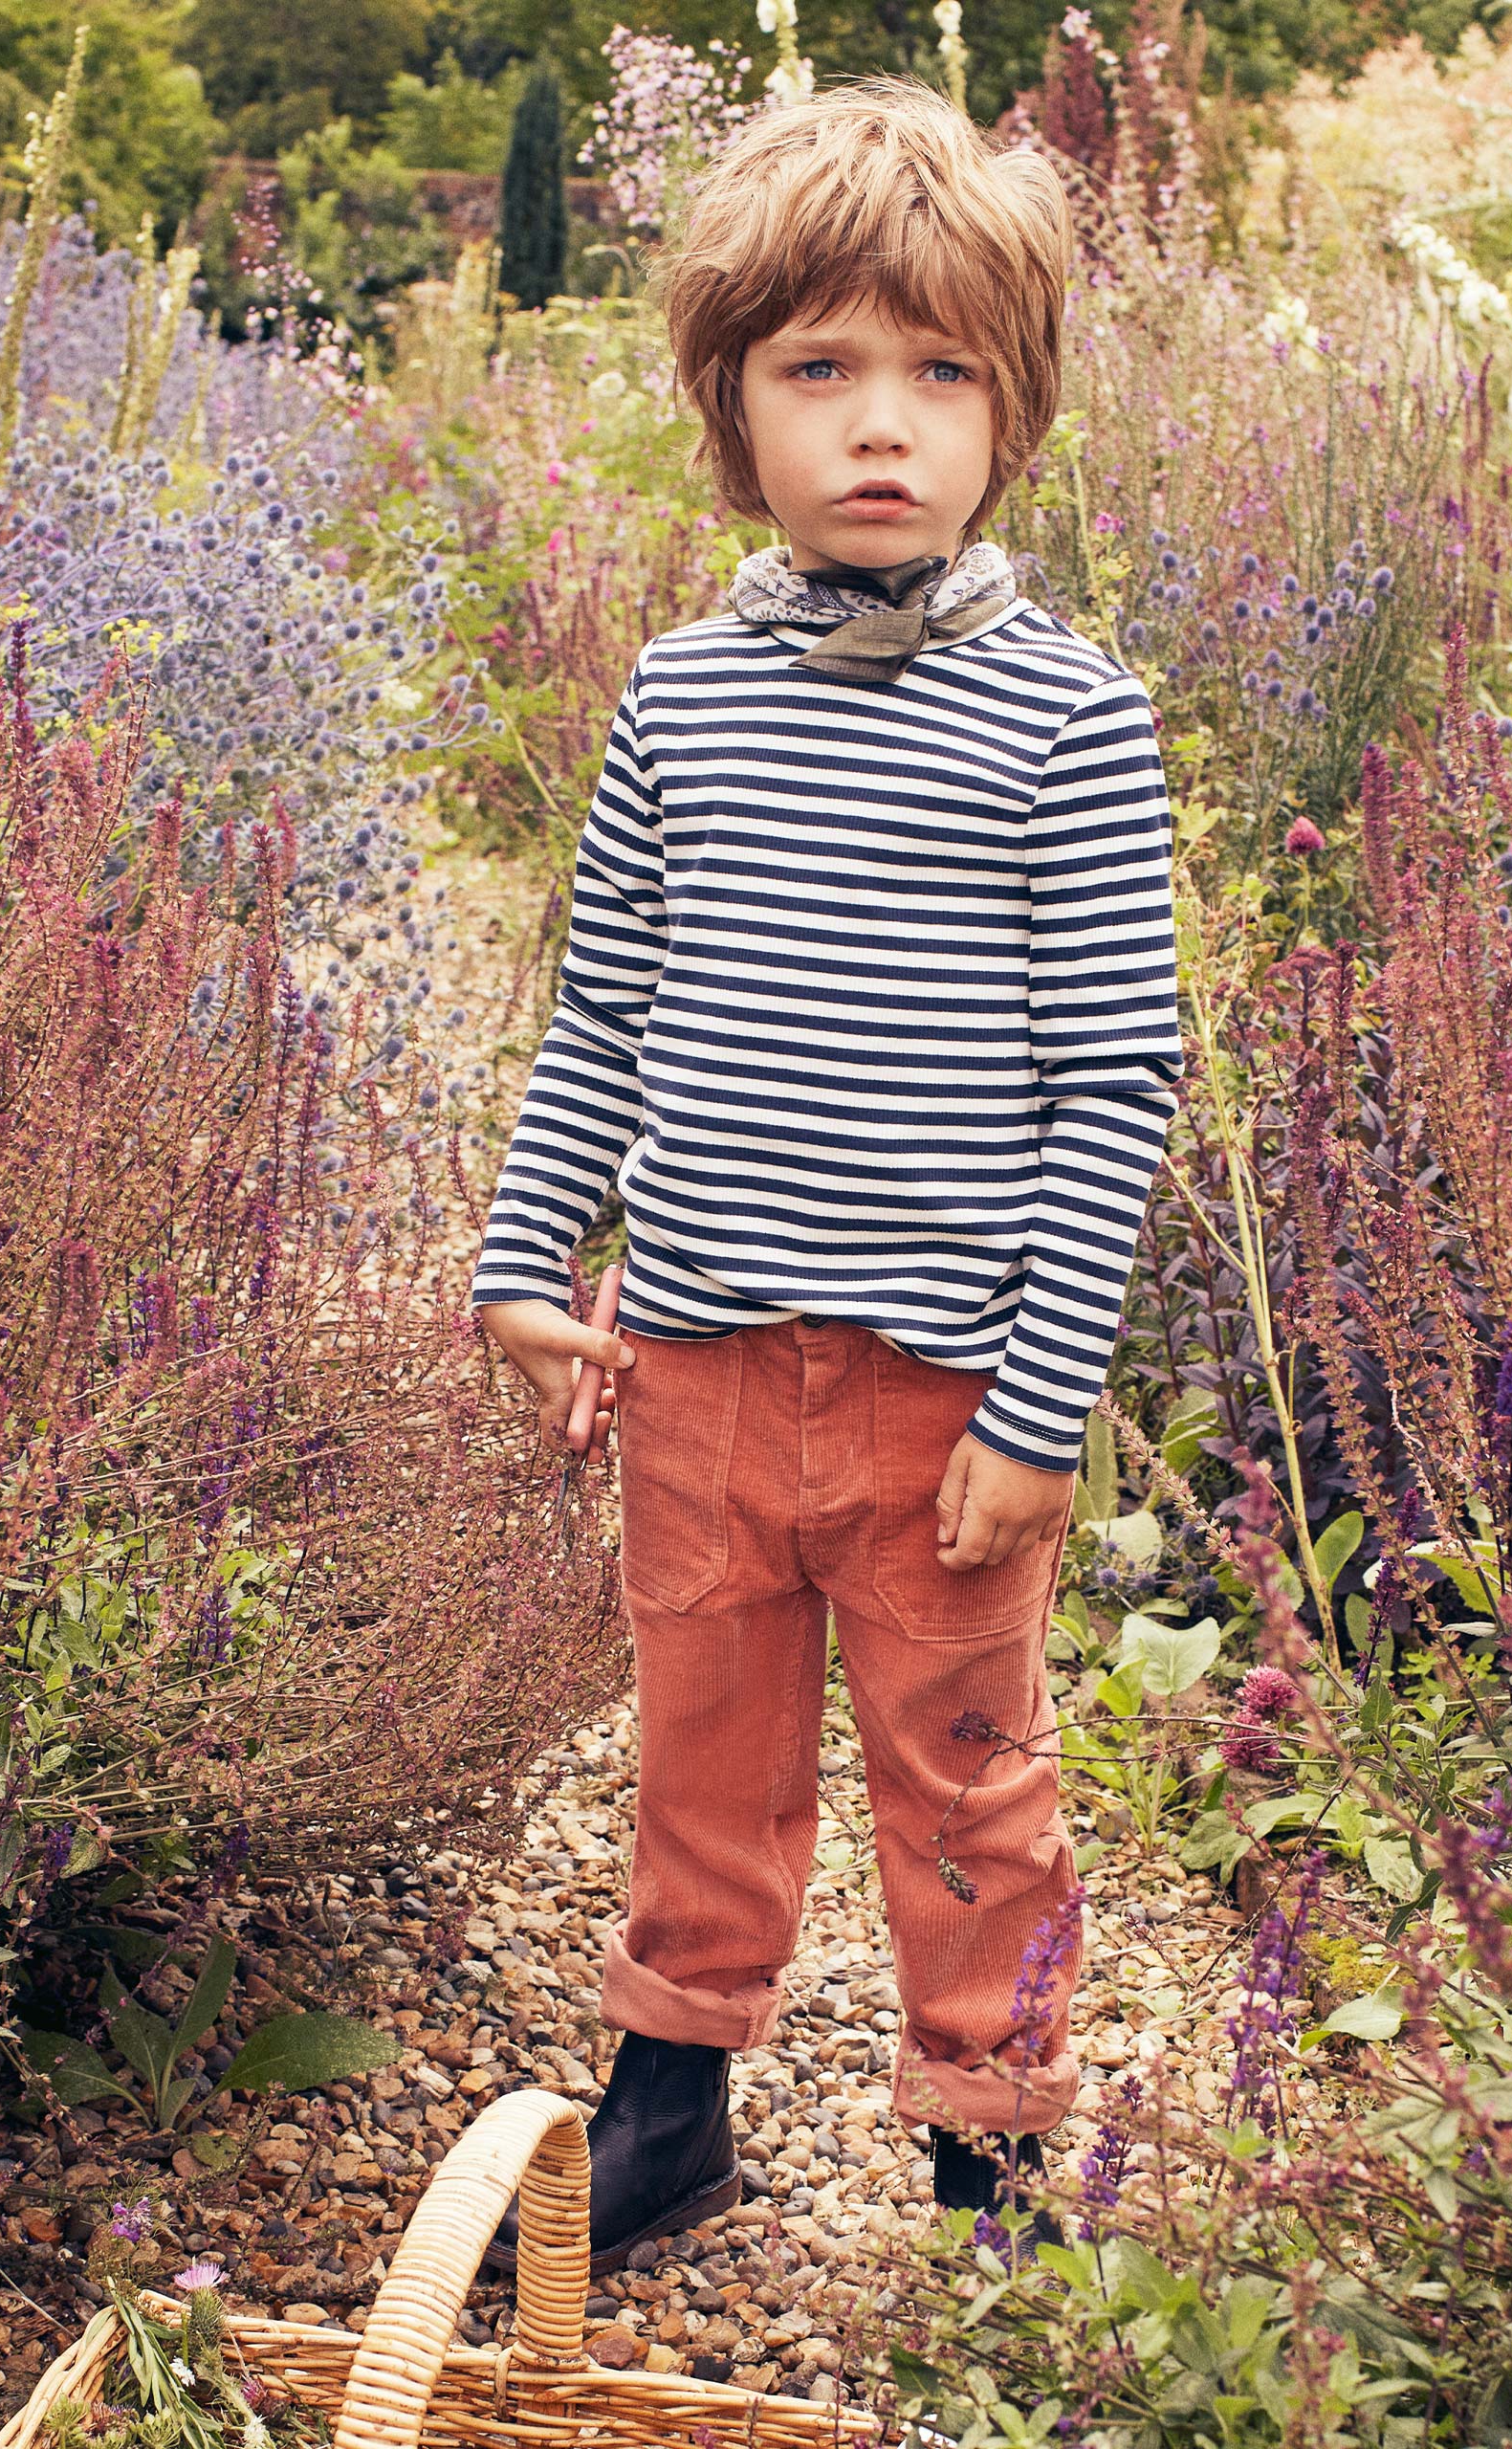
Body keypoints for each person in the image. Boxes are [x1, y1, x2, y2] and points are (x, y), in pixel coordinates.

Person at [467, 71, 1181, 2278]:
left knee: (968, 1787)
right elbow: (607, 1008)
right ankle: (668, 2108)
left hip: (935, 1399)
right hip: (689, 1362)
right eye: (819, 369)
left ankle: (995, 2172)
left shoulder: (1068, 715)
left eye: (938, 371)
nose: (882, 421)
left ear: (1012, 413)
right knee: (699, 1754)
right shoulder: (679, 704)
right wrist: (524, 1255)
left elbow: (1113, 1083)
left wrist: (1040, 1409)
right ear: (729, 408)